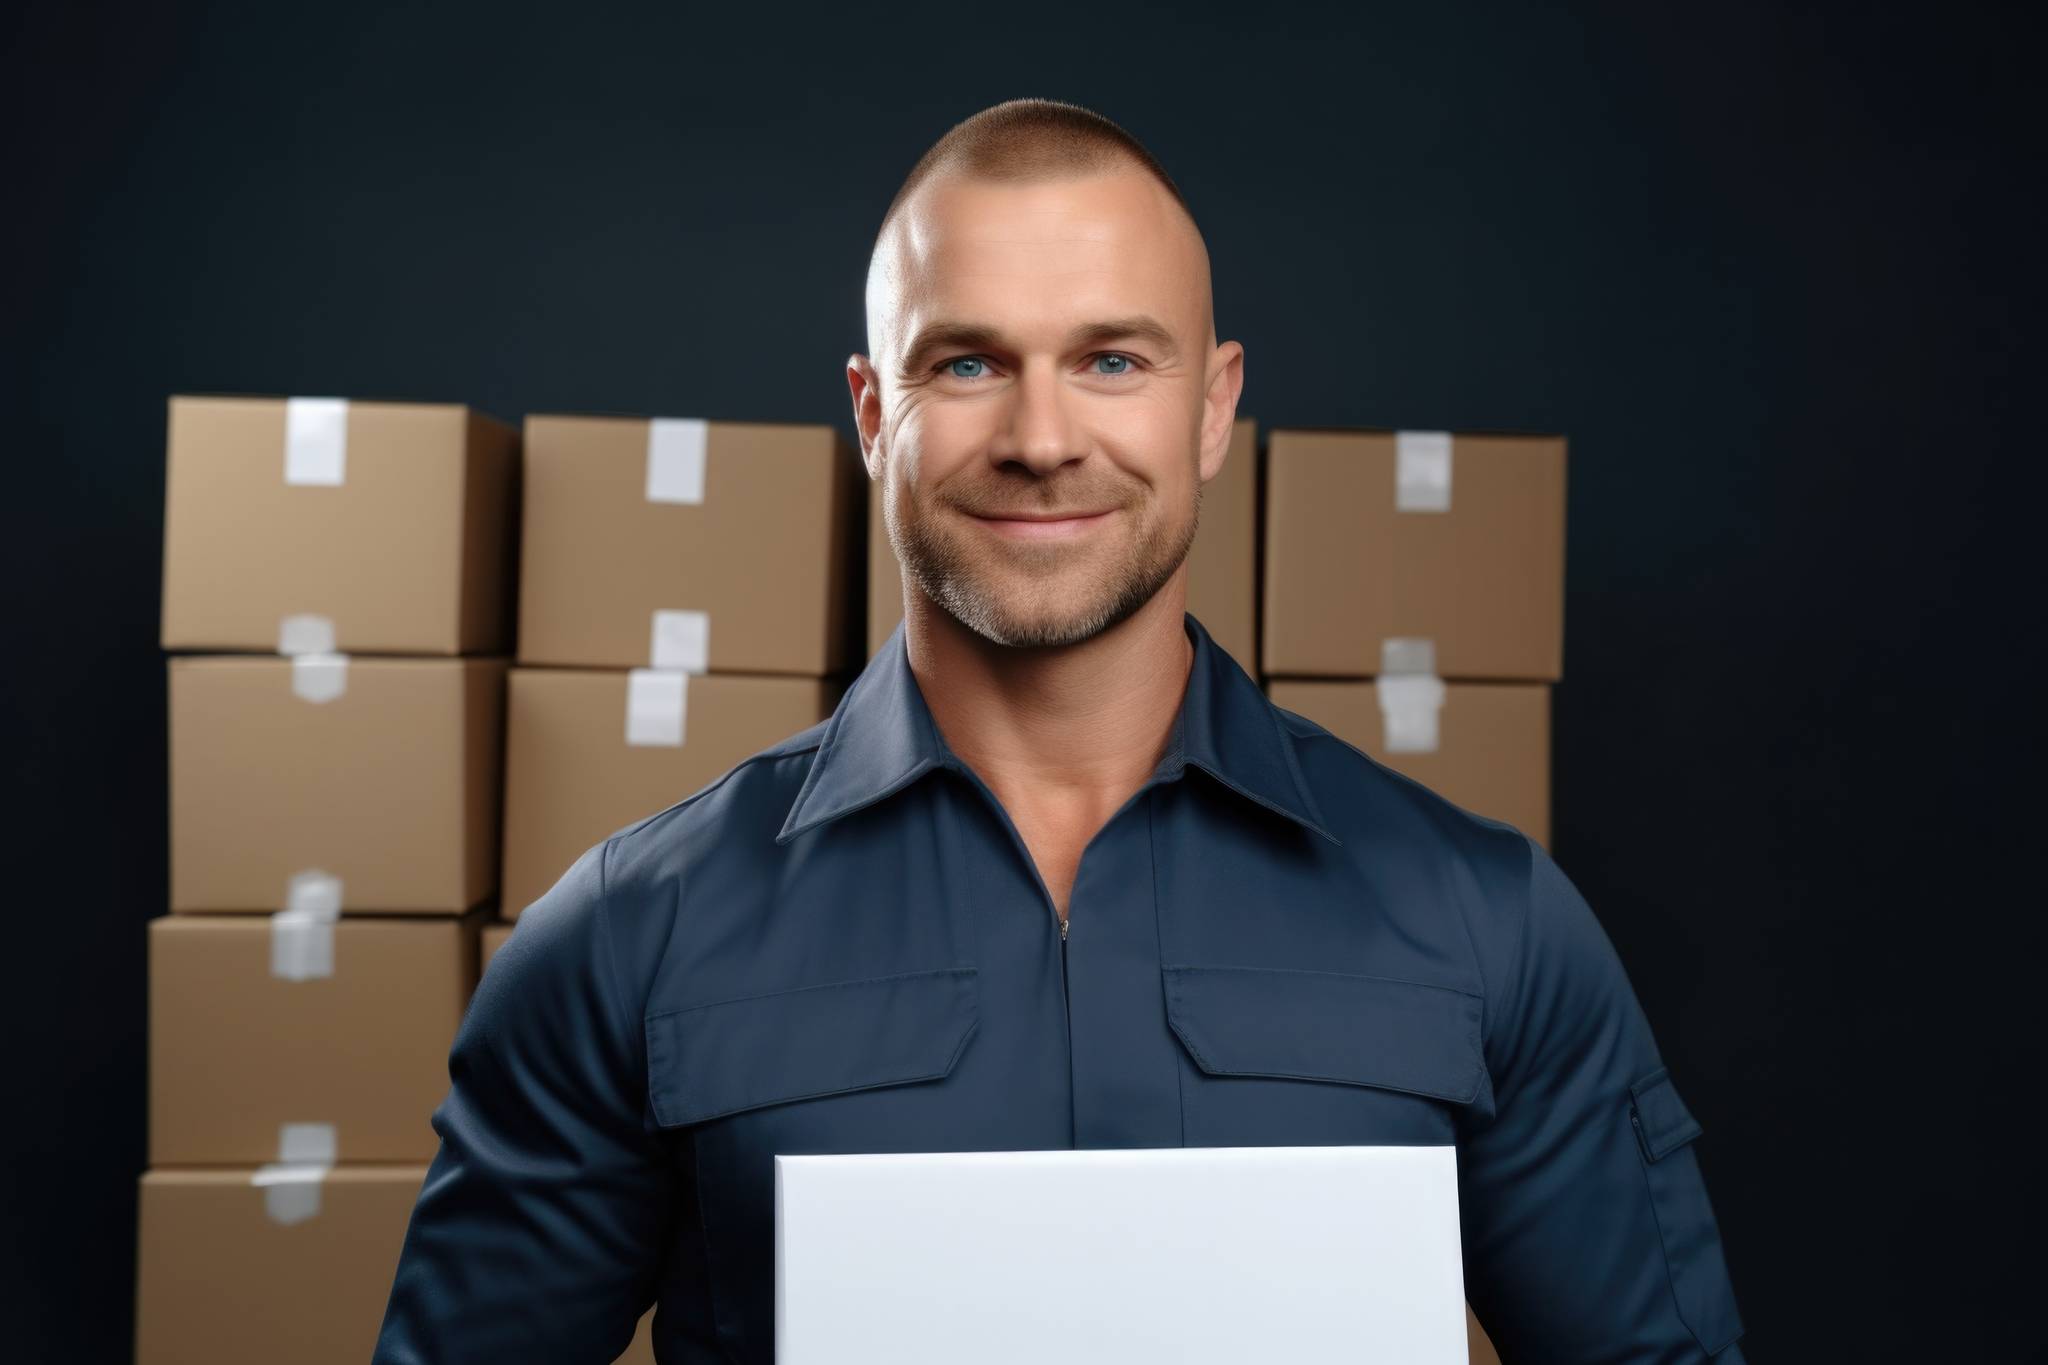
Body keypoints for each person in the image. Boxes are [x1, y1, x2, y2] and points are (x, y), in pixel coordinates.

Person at [372, 96, 1747, 1363]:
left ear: (1211, 407)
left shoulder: (1486, 922)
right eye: (968, 362)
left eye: (1110, 357)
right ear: (872, 416)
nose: (1042, 436)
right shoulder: (626, 939)